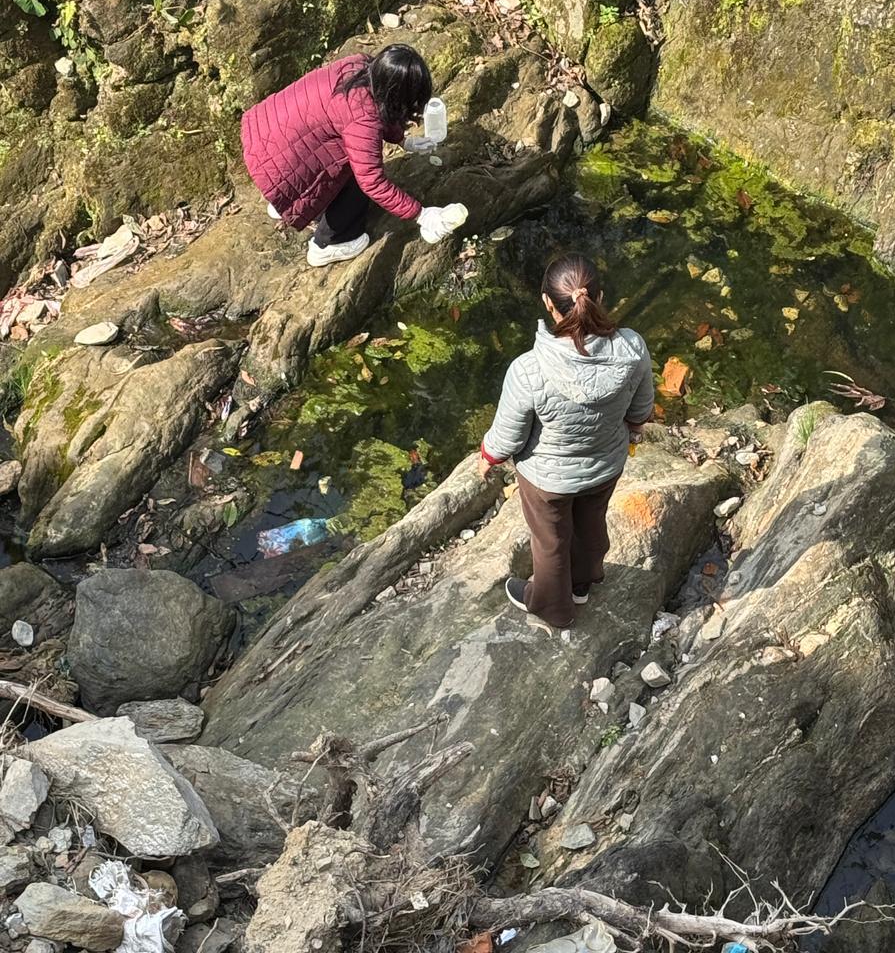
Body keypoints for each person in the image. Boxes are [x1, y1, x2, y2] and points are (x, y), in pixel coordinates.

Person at [479, 254, 655, 630]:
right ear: (599, 296)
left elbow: (508, 436)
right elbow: (641, 410)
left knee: (550, 542)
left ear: (547, 303)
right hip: (606, 465)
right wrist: (631, 432)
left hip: (547, 480)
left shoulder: (528, 369)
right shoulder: (632, 347)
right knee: (590, 524)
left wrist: (487, 456)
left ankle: (552, 608)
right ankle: (582, 583)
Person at [241, 44, 460, 267]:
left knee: (333, 147)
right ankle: (329, 243)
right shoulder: (363, 119)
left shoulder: (360, 65)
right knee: (355, 173)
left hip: (264, 135)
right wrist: (421, 215)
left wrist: (403, 141)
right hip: (279, 164)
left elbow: (382, 104)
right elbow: (372, 182)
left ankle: (283, 199)